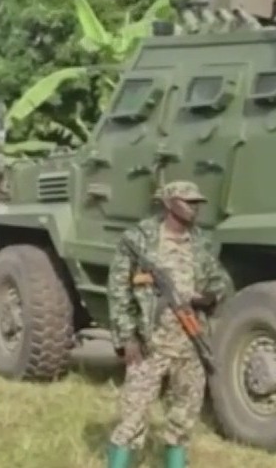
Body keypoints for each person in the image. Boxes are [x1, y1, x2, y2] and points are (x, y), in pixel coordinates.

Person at [105, 180, 232, 468]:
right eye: (188, 202)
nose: (195, 208)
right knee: (132, 415)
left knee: (183, 419)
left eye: (198, 203)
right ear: (168, 203)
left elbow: (221, 280)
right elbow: (118, 290)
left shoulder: (200, 242)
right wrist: (127, 337)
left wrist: (210, 296)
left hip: (190, 345)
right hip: (149, 344)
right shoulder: (140, 240)